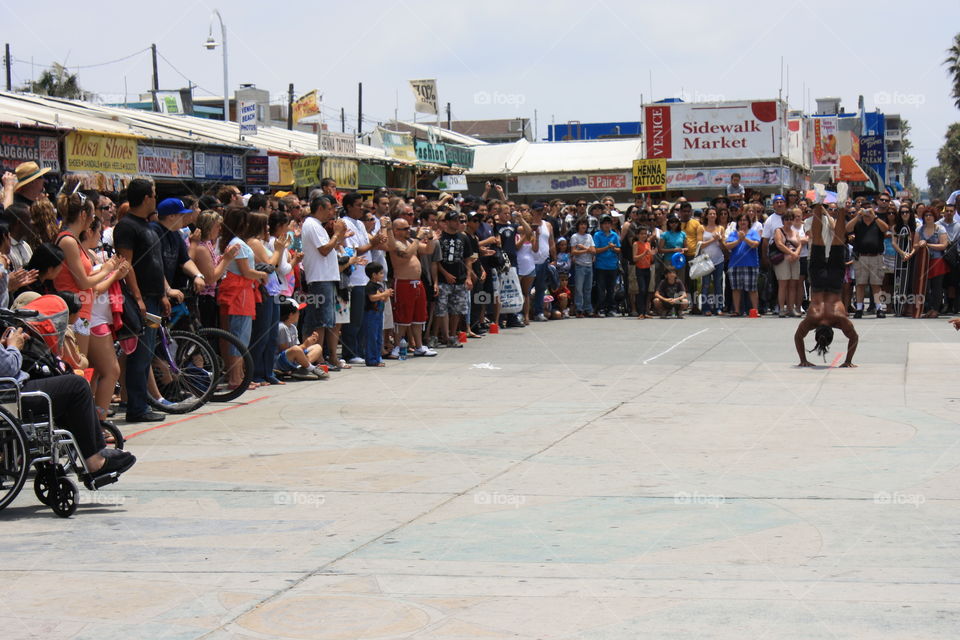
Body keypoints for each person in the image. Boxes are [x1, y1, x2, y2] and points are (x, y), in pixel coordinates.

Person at [0, 324, 136, 478]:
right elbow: (7, 367)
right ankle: (95, 462)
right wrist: (14, 347)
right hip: (9, 396)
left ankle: (93, 452)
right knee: (77, 386)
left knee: (64, 385)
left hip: (10, 392)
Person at [796, 198, 858, 367]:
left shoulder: (839, 319)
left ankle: (841, 205)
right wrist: (802, 359)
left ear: (833, 332)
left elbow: (854, 337)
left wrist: (848, 361)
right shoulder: (812, 319)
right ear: (815, 332)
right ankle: (818, 202)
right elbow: (798, 337)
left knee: (838, 241)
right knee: (818, 240)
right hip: (817, 282)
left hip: (835, 283)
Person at [301, 196, 348, 370]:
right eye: (330, 209)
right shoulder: (312, 224)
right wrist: (336, 234)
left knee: (324, 321)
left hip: (325, 278)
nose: (332, 213)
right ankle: (317, 359)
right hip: (319, 279)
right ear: (320, 208)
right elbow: (324, 250)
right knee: (319, 322)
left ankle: (319, 358)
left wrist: (340, 235)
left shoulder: (316, 225)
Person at [384, 214, 437, 357]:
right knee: (402, 317)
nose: (408, 230)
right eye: (404, 228)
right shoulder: (394, 243)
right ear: (395, 230)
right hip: (403, 282)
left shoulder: (410, 241)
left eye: (409, 227)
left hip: (417, 283)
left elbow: (428, 250)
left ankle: (419, 346)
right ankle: (397, 346)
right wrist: (419, 238)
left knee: (418, 317)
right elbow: (406, 255)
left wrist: (431, 237)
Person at [435, 210, 475, 347]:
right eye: (454, 220)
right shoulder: (440, 238)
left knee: (456, 310)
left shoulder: (463, 238)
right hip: (443, 279)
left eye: (459, 220)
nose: (458, 223)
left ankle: (452, 335)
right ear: (447, 222)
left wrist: (468, 277)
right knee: (441, 309)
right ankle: (440, 335)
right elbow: (436, 261)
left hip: (460, 278)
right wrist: (445, 273)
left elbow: (468, 259)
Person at [846, 205, 889, 318]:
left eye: (868, 210)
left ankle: (879, 308)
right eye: (864, 210)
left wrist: (874, 216)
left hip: (876, 256)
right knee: (860, 283)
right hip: (861, 257)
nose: (866, 213)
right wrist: (857, 216)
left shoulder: (877, 221)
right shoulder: (858, 222)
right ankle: (859, 308)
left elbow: (885, 228)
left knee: (876, 284)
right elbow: (848, 229)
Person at [275, 299, 327, 380]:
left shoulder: (293, 327)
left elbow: (297, 349)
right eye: (298, 311)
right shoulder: (281, 327)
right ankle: (311, 368)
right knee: (296, 349)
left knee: (317, 347)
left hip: (292, 358)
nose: (299, 314)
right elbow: (285, 350)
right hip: (280, 362)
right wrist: (306, 344)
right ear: (291, 314)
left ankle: (301, 368)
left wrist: (308, 343)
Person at [724, 213, 761, 316]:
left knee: (752, 289)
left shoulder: (753, 233)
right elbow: (728, 246)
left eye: (745, 220)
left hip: (751, 264)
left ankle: (755, 310)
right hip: (735, 265)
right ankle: (736, 310)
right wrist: (739, 240)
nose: (742, 222)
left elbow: (755, 244)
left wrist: (744, 239)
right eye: (740, 220)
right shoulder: (733, 234)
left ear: (748, 222)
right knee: (736, 289)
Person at [915, 209, 949, 318]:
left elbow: (944, 245)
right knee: (925, 286)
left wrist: (927, 245)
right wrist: (919, 244)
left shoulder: (940, 229)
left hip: (937, 261)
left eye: (930, 215)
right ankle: (928, 308)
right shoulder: (919, 229)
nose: (928, 217)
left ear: (935, 217)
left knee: (937, 287)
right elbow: (914, 245)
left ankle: (935, 309)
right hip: (923, 261)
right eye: (926, 215)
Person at [772, 209, 803, 318]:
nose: (789, 221)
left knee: (793, 285)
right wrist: (791, 253)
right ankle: (781, 308)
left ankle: (791, 308)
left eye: (791, 219)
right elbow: (779, 244)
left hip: (794, 259)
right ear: (783, 220)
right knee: (783, 284)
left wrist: (796, 254)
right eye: (786, 219)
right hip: (783, 259)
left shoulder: (795, 232)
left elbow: (800, 244)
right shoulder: (778, 231)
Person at [363, 263, 393, 367]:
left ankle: (377, 357)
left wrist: (387, 295)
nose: (382, 275)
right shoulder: (370, 286)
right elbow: (372, 298)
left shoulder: (380, 286)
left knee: (379, 337)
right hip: (371, 314)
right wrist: (384, 294)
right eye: (380, 273)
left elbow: (383, 299)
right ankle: (371, 360)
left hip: (379, 314)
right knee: (372, 337)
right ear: (373, 275)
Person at [592, 214, 621, 317]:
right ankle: (601, 308)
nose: (607, 225)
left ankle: (611, 308)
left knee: (611, 289)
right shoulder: (597, 235)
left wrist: (613, 248)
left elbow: (619, 249)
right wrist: (607, 247)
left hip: (612, 266)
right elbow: (596, 250)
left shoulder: (614, 235)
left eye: (609, 223)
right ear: (601, 225)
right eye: (605, 223)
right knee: (601, 289)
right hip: (601, 266)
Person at [569, 217, 595, 317]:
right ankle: (579, 309)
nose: (583, 226)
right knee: (579, 289)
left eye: (585, 224)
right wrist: (586, 250)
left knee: (588, 289)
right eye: (581, 224)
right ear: (578, 226)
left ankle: (588, 308)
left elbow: (594, 251)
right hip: (580, 265)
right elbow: (574, 252)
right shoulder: (575, 237)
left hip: (589, 265)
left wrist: (584, 248)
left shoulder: (589, 236)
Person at [632, 225, 655, 319]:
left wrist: (652, 254)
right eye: (641, 234)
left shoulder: (648, 244)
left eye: (645, 234)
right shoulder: (636, 244)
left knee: (647, 291)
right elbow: (634, 258)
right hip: (640, 269)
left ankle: (645, 312)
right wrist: (644, 253)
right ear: (637, 235)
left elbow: (650, 258)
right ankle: (640, 311)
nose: (644, 236)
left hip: (647, 268)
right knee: (642, 289)